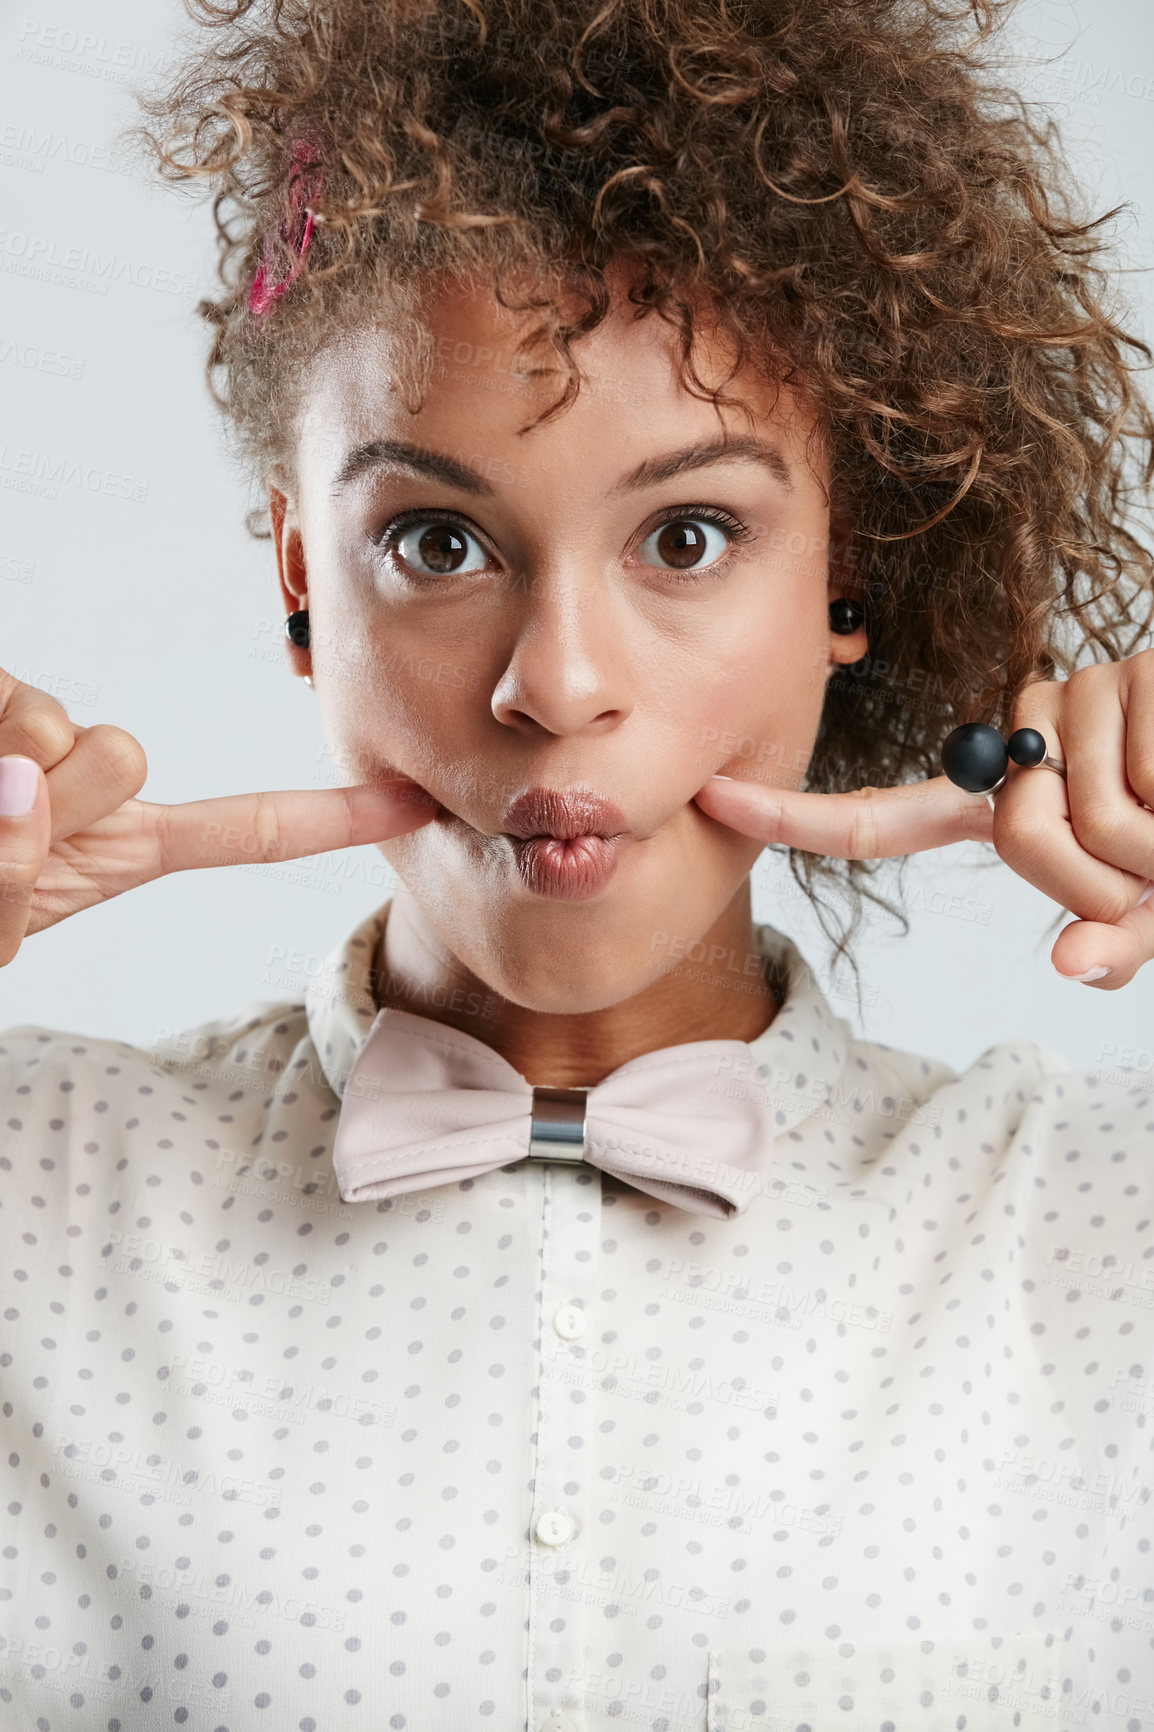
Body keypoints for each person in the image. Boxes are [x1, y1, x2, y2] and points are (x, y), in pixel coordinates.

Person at [1, 0, 1152, 1726]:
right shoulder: (35, 1186)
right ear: (300, 575)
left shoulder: (1091, 1219)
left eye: (688, 537)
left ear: (848, 574)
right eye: (436, 540)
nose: (556, 683)